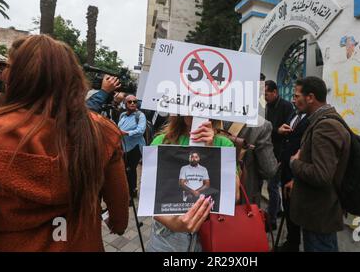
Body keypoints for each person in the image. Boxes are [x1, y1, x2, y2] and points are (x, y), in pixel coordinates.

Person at [0, 35, 129, 251]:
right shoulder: (102, 131)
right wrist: (116, 226)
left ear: (19, 76)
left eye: (7, 66)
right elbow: (119, 216)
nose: (2, 72)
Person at [147, 116, 240, 252]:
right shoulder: (161, 141)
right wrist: (173, 224)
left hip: (208, 236)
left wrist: (211, 151)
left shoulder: (224, 144)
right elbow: (148, 197)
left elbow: (234, 196)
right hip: (165, 237)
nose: (195, 109)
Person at [289, 76, 351, 252]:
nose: (294, 100)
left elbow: (321, 175)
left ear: (310, 97)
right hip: (318, 213)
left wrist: (294, 163)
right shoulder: (321, 119)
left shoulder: (326, 126)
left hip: (319, 214)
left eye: (297, 96)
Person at [223, 116, 278, 206]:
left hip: (209, 196)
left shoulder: (206, 117)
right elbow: (269, 170)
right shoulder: (261, 125)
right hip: (244, 195)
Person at [264, 80, 294, 230]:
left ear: (275, 92)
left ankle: (272, 221)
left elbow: (286, 130)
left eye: (267, 94)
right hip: (271, 151)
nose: (264, 97)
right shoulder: (268, 106)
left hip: (281, 154)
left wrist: (275, 131)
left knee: (272, 186)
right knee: (273, 186)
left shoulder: (287, 107)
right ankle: (278, 210)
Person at [278, 107, 309, 252]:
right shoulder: (294, 113)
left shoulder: (311, 119)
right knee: (288, 207)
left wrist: (297, 177)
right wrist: (280, 131)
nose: (293, 99)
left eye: (297, 95)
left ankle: (297, 242)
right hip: (286, 169)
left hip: (299, 172)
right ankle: (292, 242)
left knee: (298, 210)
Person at [118, 95, 146, 199]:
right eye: (130, 102)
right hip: (123, 148)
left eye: (135, 101)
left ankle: (131, 193)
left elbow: (140, 131)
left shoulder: (140, 115)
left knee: (130, 169)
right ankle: (128, 191)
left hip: (135, 147)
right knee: (124, 170)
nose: (133, 103)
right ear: (125, 104)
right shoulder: (122, 115)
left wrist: (125, 133)